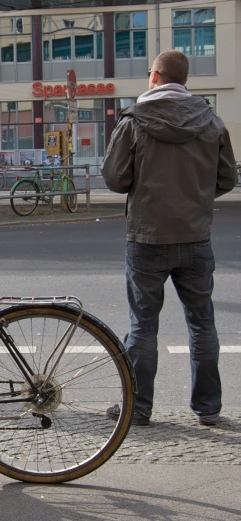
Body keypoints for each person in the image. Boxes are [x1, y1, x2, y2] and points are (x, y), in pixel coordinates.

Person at [101, 50, 236, 427]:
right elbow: (226, 179)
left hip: (146, 235)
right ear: (186, 80)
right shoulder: (211, 121)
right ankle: (208, 407)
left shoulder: (135, 119)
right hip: (195, 236)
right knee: (202, 321)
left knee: (143, 323)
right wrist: (195, 195)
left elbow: (114, 179)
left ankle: (138, 407)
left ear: (155, 76)